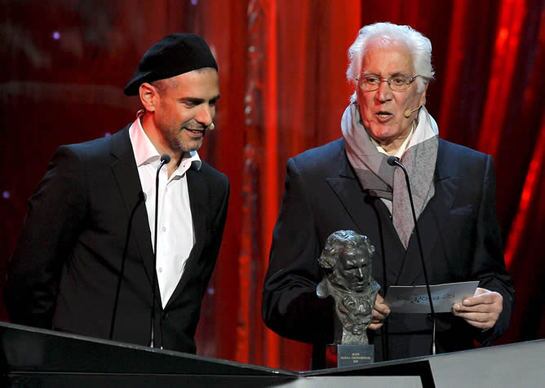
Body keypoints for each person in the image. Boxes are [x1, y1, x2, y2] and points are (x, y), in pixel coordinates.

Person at [262, 22, 514, 367]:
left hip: (445, 372)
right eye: (371, 80)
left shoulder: (471, 171)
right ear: (355, 87)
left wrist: (494, 308)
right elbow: (280, 296)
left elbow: (493, 278)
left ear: (422, 91)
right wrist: (339, 314)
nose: (383, 94)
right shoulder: (311, 175)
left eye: (398, 80)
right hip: (357, 372)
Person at [5, 33, 229, 354]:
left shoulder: (213, 188)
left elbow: (186, 305)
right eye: (191, 103)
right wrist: (55, 364)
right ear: (149, 97)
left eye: (212, 103)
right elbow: (28, 283)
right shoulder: (83, 168)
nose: (207, 119)